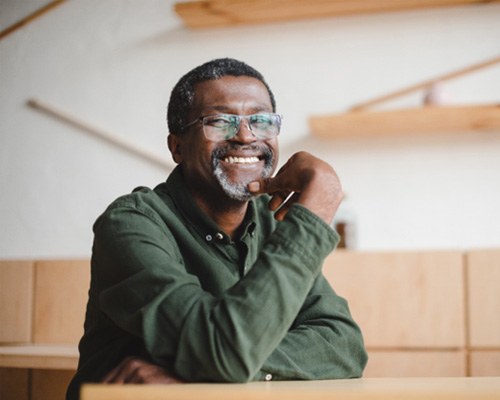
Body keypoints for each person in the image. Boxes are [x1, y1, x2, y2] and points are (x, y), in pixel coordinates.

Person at [66, 58, 367, 399]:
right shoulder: (131, 223)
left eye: (261, 120)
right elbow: (223, 352)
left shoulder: (272, 222)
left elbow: (344, 345)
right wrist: (314, 211)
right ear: (177, 147)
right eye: (220, 121)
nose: (245, 136)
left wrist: (209, 372)